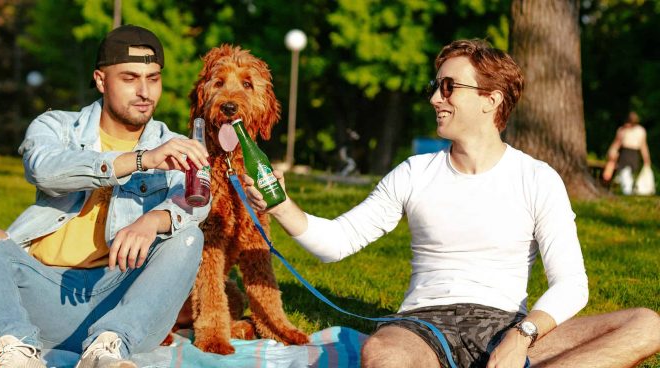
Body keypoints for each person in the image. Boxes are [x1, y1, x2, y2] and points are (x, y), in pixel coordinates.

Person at [244, 39, 660, 368]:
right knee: (383, 355)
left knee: (646, 325)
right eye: (435, 87)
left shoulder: (537, 178)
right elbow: (336, 243)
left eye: (449, 87)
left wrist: (521, 337)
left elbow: (572, 284)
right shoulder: (414, 172)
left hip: (509, 325)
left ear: (491, 100)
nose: (434, 99)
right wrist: (280, 206)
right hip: (424, 325)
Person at [0, 25, 210, 368]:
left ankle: (106, 350)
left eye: (154, 78)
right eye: (130, 78)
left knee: (188, 237)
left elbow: (198, 202)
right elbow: (44, 169)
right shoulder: (56, 127)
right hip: (43, 294)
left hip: (124, 302)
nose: (145, 91)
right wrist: (139, 160)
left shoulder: (174, 142)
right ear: (102, 81)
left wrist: (153, 220)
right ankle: (18, 349)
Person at [602, 111, 652, 194]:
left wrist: (647, 159)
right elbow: (617, 143)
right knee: (624, 172)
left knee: (629, 173)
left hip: (634, 154)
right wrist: (611, 152)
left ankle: (628, 190)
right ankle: (627, 191)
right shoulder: (622, 130)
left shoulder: (640, 131)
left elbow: (643, 146)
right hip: (624, 154)